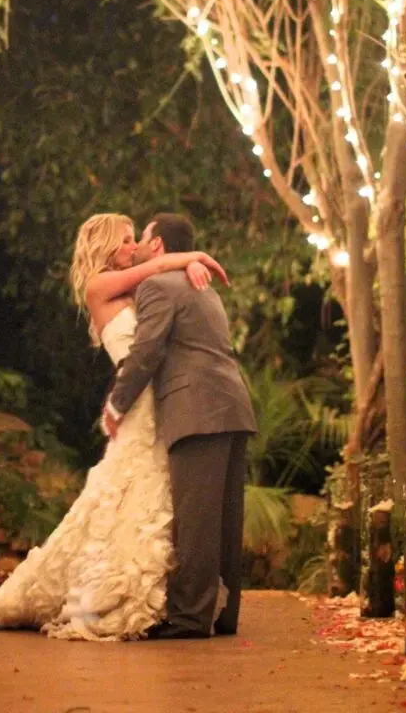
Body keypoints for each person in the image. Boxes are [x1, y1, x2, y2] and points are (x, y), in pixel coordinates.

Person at [0, 212, 227, 640]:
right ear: (102, 247)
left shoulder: (140, 286)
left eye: (135, 239)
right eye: (124, 240)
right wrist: (192, 256)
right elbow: (157, 267)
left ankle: (175, 601)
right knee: (126, 497)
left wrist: (186, 266)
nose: (131, 246)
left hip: (162, 403)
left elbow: (166, 292)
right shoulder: (98, 286)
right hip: (136, 407)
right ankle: (106, 598)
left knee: (160, 503)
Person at [103, 213, 257, 640]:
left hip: (195, 410)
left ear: (156, 246)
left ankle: (190, 617)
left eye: (143, 236)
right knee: (225, 520)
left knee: (196, 519)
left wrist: (117, 403)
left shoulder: (158, 285)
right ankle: (224, 615)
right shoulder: (201, 284)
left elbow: (147, 350)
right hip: (232, 404)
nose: (135, 244)